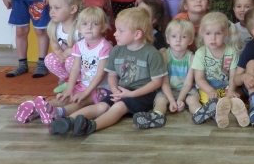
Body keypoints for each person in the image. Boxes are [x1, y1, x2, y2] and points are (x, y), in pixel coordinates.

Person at [48, 8, 166, 136]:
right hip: (121, 91)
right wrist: (114, 90)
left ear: (137, 34)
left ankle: (92, 126)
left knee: (118, 106)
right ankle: (68, 121)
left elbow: (157, 82)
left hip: (142, 95)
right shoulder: (117, 50)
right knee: (102, 106)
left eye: (120, 30)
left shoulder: (152, 54)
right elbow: (112, 75)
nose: (115, 34)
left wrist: (131, 94)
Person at [15, 7, 112, 125]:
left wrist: (85, 93)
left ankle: (57, 113)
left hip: (102, 89)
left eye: (95, 24)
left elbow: (100, 74)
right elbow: (75, 69)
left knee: (80, 101)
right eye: (85, 24)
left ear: (103, 27)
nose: (89, 27)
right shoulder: (79, 45)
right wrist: (69, 89)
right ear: (79, 28)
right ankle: (35, 110)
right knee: (65, 98)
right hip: (84, 84)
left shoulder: (104, 47)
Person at [132, 18, 200, 129]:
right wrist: (172, 100)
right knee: (161, 101)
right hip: (167, 89)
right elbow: (164, 82)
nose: (178, 40)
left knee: (193, 100)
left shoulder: (192, 58)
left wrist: (180, 99)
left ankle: (200, 112)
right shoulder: (164, 56)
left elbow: (188, 83)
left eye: (183, 37)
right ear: (168, 39)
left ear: (191, 40)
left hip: (186, 90)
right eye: (174, 36)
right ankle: (156, 117)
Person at [192, 12, 249, 128]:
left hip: (226, 86)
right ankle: (217, 114)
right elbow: (199, 79)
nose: (213, 38)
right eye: (208, 33)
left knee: (232, 98)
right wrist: (210, 90)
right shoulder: (200, 53)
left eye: (218, 33)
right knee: (211, 101)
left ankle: (238, 112)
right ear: (202, 33)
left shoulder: (231, 52)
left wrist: (231, 90)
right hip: (207, 87)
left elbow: (233, 76)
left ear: (226, 33)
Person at [43, 0, 83, 93]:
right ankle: (67, 80)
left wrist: (68, 52)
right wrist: (59, 53)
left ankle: (79, 82)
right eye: (51, 7)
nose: (52, 11)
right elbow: (54, 43)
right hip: (67, 57)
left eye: (57, 8)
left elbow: (86, 48)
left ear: (73, 9)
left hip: (82, 60)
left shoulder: (80, 27)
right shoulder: (55, 26)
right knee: (49, 59)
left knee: (70, 61)